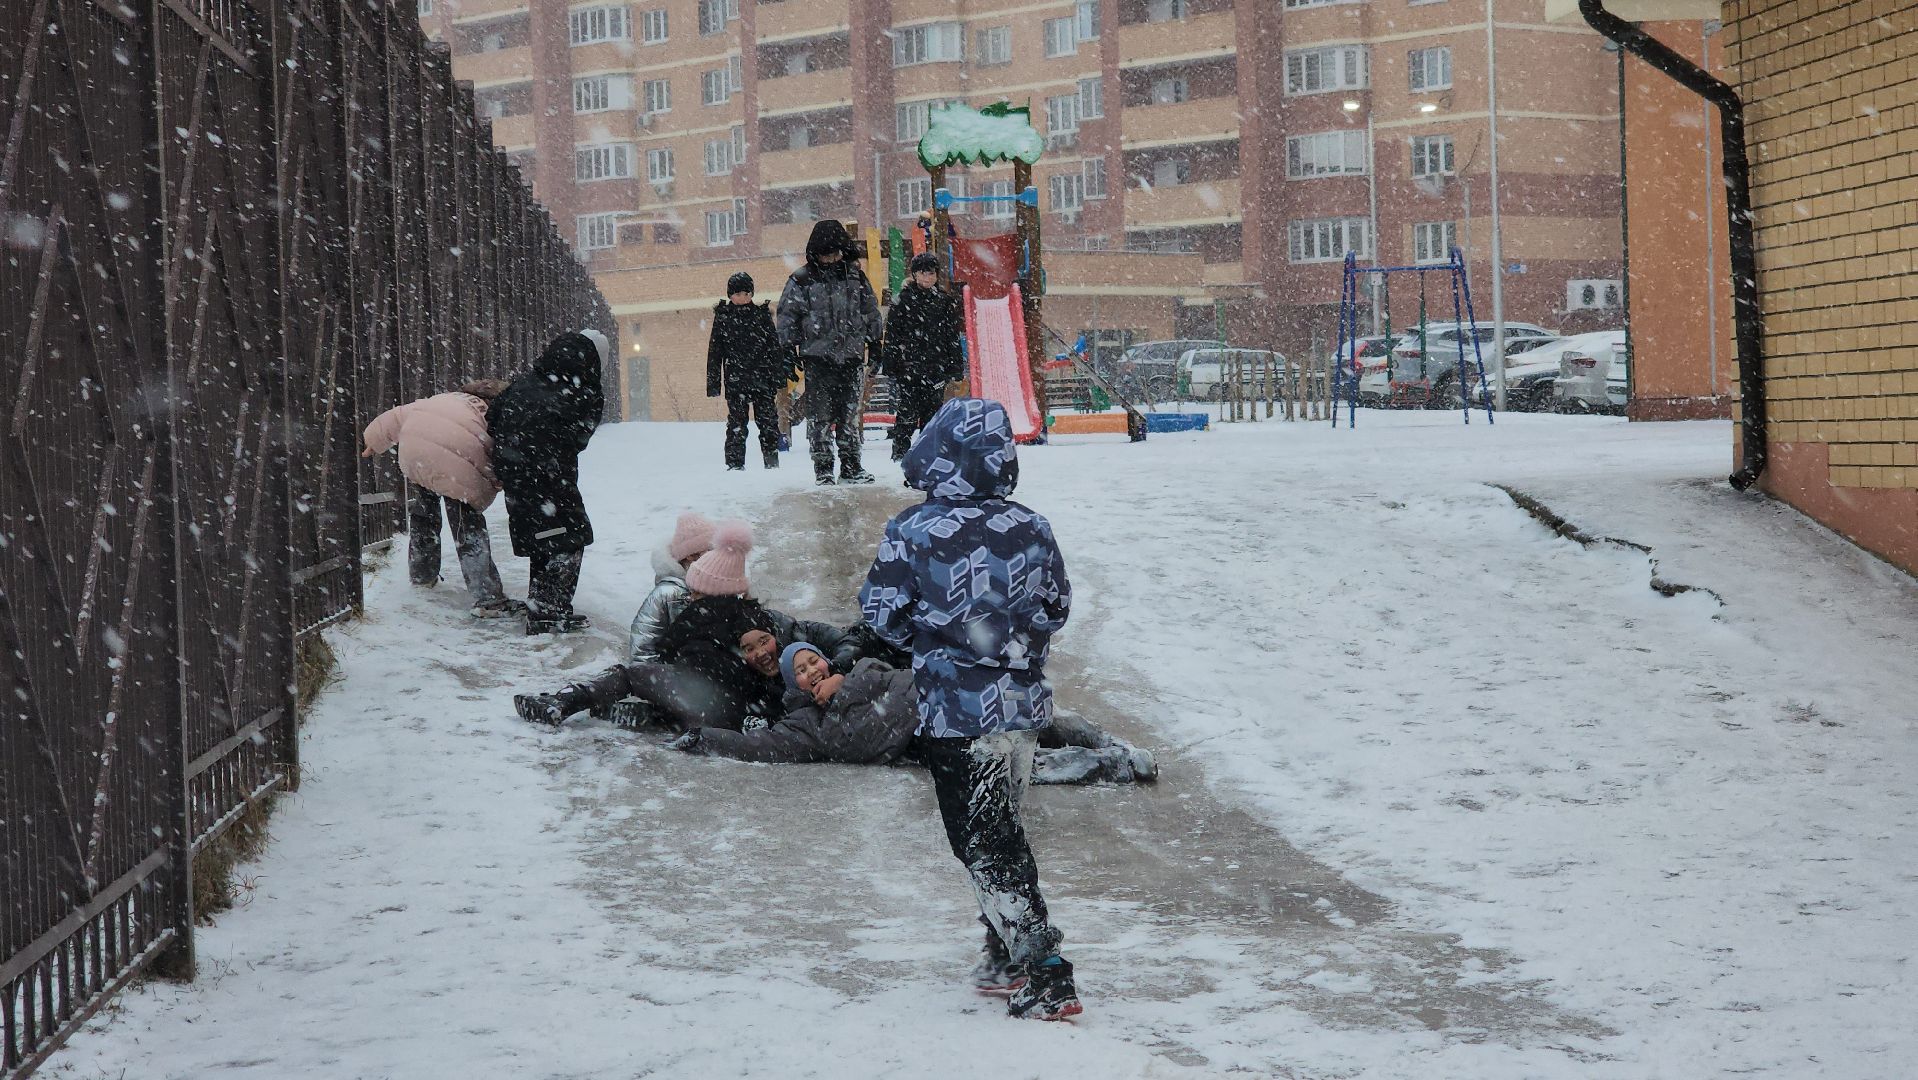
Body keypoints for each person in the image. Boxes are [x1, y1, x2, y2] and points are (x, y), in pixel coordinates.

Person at [858, 397, 1082, 1021]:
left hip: (957, 713)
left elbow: (881, 613)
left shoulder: (914, 530)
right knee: (1002, 822)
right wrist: (1011, 640)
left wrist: (939, 642)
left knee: (984, 840)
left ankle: (1045, 968)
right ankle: (1003, 952)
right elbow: (1057, 605)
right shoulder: (1031, 527)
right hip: (1021, 709)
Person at [674, 642, 1157, 784]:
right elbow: (762, 747)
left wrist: (845, 682)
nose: (812, 671)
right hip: (920, 740)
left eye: (813, 661)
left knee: (1032, 719)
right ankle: (1110, 766)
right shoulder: (805, 726)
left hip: (945, 699)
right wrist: (705, 737)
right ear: (790, 684)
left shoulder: (862, 669)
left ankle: (1106, 741)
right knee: (1011, 764)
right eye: (799, 671)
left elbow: (888, 671)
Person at [517, 521, 781, 731]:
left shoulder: (696, 615)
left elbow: (661, 651)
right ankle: (649, 713)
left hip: (704, 704)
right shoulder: (754, 615)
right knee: (669, 687)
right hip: (739, 709)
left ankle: (562, 702)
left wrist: (653, 679)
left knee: (630, 675)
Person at [360, 379, 520, 618]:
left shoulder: (440, 399)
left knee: (425, 514)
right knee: (467, 525)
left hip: (414, 453)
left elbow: (394, 417)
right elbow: (497, 452)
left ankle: (422, 575)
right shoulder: (491, 411)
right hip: (455, 461)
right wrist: (496, 482)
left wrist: (371, 442)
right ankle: (487, 598)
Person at [488, 331, 605, 634]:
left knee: (543, 537)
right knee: (571, 537)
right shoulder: (583, 393)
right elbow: (578, 439)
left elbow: (492, 415)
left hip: (516, 475)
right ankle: (550, 614)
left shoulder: (523, 384)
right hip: (550, 476)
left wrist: (514, 448)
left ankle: (541, 607)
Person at [776, 219, 882, 486]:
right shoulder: (801, 280)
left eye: (835, 253)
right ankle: (823, 468)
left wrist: (876, 342)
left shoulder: (856, 277)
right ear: (816, 254)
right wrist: (788, 350)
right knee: (820, 417)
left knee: (848, 415)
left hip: (851, 355)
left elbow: (870, 310)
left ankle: (851, 465)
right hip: (818, 358)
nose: (831, 259)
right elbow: (788, 316)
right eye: (825, 254)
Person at [879, 252, 965, 462]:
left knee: (933, 414)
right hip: (909, 368)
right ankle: (900, 454)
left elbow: (952, 337)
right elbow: (892, 334)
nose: (927, 278)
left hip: (936, 368)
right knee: (906, 413)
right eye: (923, 274)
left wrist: (955, 366)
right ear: (915, 275)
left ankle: (930, 454)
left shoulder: (944, 302)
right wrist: (891, 363)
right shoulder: (903, 301)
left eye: (931, 274)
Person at [707, 272, 793, 471]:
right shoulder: (724, 317)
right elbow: (715, 352)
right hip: (736, 381)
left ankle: (771, 462)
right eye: (738, 294)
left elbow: (773, 348)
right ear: (730, 295)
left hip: (762, 379)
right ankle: (735, 465)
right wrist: (713, 384)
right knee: (736, 425)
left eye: (746, 293)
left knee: (768, 423)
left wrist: (779, 377)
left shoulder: (762, 315)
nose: (743, 298)